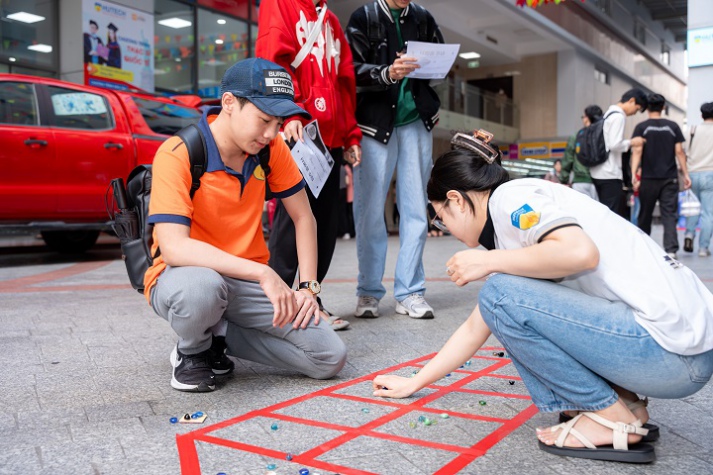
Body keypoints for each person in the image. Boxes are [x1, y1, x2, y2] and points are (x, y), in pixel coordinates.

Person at [371, 130, 713, 464]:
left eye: (442, 217)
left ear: (456, 199)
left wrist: (486, 261)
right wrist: (414, 383)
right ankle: (627, 405)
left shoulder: (511, 200)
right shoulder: (514, 226)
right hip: (681, 351)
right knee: (499, 296)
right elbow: (477, 326)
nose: (446, 228)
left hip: (671, 354)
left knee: (498, 293)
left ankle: (612, 418)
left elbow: (581, 253)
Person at [145, 58, 347, 392]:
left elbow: (303, 217)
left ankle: (219, 334)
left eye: (278, 122)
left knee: (329, 356)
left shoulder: (272, 149)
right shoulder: (177, 152)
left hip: (244, 281)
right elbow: (175, 248)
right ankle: (192, 352)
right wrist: (265, 273)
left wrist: (308, 288)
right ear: (229, 104)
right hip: (184, 276)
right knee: (202, 290)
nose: (271, 133)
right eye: (264, 119)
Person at [256, 0, 362, 331]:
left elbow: (344, 82)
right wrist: (287, 112)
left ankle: (310, 299)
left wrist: (351, 136)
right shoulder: (280, 4)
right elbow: (272, 61)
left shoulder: (330, 20)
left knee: (325, 224)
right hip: (297, 130)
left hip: (327, 141)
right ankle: (271, 305)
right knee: (293, 223)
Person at [346, 0, 444, 319]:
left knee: (416, 208)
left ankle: (410, 292)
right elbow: (350, 71)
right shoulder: (365, 17)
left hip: (416, 121)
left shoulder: (423, 18)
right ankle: (368, 291)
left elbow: (438, 62)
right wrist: (386, 73)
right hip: (374, 125)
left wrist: (429, 100)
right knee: (370, 211)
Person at [630, 93, 690, 258]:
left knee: (645, 214)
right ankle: (671, 250)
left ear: (647, 108)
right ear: (663, 107)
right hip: (669, 178)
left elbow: (637, 151)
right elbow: (679, 151)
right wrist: (685, 174)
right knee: (669, 214)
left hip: (648, 178)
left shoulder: (641, 127)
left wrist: (634, 173)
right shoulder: (673, 126)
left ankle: (644, 248)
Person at [590, 89, 648, 217]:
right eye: (637, 109)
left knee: (606, 213)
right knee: (613, 216)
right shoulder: (619, 116)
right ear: (631, 101)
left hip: (598, 172)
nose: (634, 113)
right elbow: (615, 144)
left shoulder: (607, 114)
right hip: (610, 173)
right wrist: (632, 142)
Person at [684, 102, 713, 257]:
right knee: (709, 213)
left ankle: (689, 234)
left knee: (693, 207)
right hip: (711, 174)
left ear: (702, 115)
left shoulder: (692, 130)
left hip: (693, 173)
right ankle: (703, 248)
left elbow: (683, 152)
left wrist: (684, 173)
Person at [559, 105, 602, 200]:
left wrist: (564, 179)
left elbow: (568, 159)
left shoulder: (577, 136)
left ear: (587, 118)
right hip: (600, 181)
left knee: (581, 212)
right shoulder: (602, 135)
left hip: (580, 181)